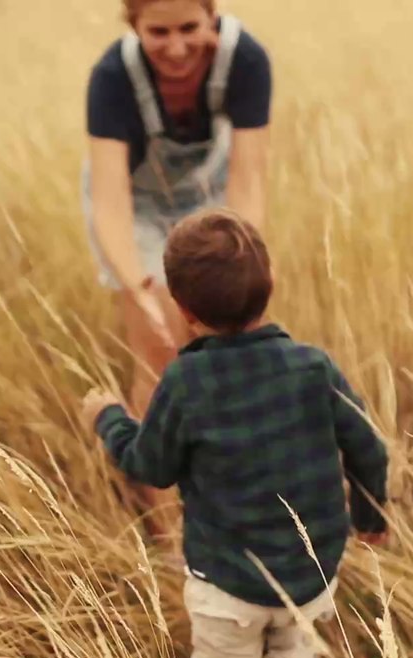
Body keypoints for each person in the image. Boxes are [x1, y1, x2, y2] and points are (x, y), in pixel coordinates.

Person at [80, 209, 389, 658]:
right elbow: (370, 447)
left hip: (228, 587)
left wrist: (109, 417)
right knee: (297, 634)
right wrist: (370, 516)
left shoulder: (186, 382)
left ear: (182, 308)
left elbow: (149, 465)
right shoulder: (314, 368)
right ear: (272, 283)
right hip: (310, 570)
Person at [81, 0, 273, 543]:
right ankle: (170, 533)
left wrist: (241, 264)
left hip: (211, 197)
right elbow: (112, 204)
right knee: (160, 353)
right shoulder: (113, 76)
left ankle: (237, 505)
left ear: (213, 17)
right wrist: (138, 288)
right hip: (136, 206)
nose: (176, 47)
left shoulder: (246, 60)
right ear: (133, 26)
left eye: (190, 27)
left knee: (232, 346)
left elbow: (249, 180)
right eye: (157, 32)